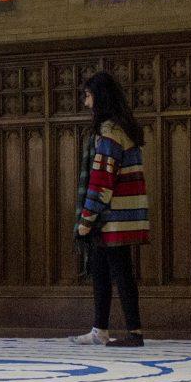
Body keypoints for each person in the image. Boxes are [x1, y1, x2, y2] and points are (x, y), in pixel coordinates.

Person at [70, 71, 150, 347]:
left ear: (100, 98)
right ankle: (99, 329)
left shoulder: (110, 133)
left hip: (112, 217)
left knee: (121, 272)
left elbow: (102, 180)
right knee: (102, 271)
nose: (86, 102)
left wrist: (86, 219)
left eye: (89, 96)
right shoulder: (122, 128)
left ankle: (135, 332)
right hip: (119, 216)